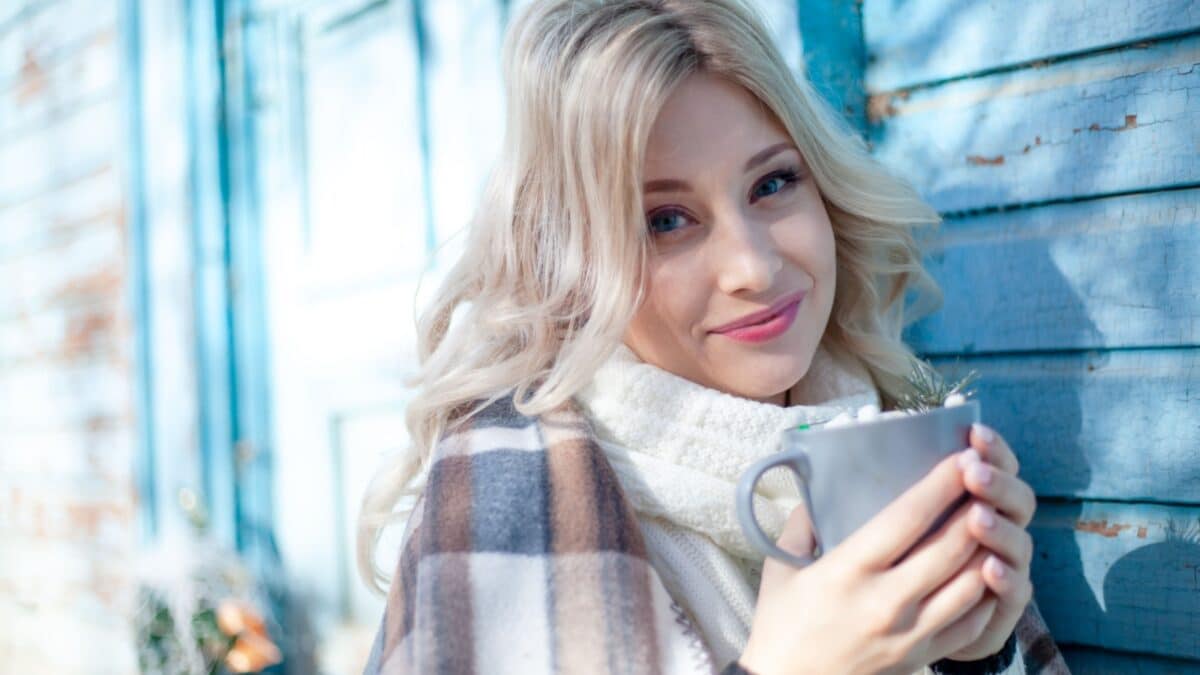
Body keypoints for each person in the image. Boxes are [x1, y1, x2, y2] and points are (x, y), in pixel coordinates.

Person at [356, 1, 1071, 673]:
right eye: (665, 220)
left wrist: (976, 653)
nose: (754, 267)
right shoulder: (498, 500)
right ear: (572, 262)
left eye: (773, 184)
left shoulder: (887, 429)